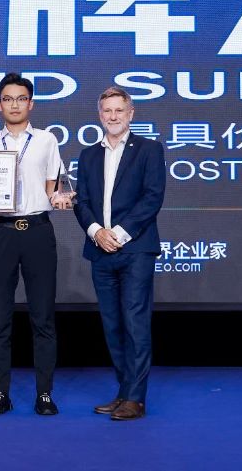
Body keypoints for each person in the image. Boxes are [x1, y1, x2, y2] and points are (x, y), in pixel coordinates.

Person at [0, 73, 72, 416]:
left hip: (38, 231)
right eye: (8, 99)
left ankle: (44, 393)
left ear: (31, 103)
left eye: (21, 98)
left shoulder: (46, 140)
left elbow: (51, 188)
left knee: (43, 317)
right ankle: (1, 393)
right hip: (1, 231)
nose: (14, 104)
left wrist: (59, 197)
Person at [72, 86, 165, 421]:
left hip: (136, 249)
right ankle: (124, 392)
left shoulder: (149, 149)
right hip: (100, 250)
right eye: (107, 111)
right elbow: (81, 201)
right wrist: (97, 232)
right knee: (112, 325)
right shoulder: (88, 155)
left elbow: (152, 198)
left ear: (131, 114)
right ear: (100, 115)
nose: (113, 116)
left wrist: (120, 235)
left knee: (135, 323)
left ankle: (136, 399)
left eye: (119, 110)